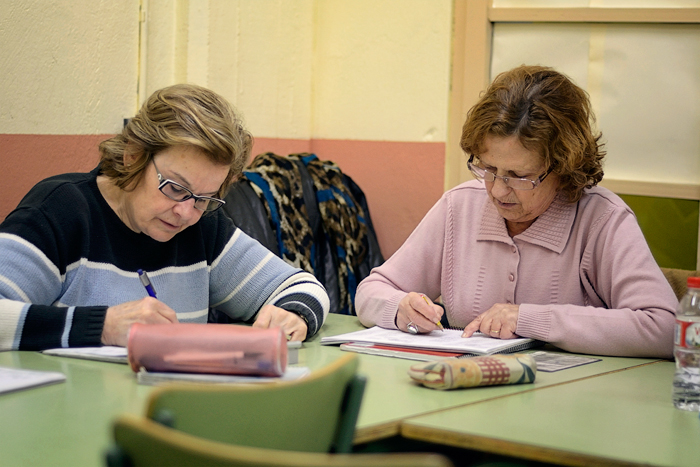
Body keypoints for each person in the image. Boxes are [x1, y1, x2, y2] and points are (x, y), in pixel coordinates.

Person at [355, 65, 677, 358]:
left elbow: (664, 328)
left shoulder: (602, 220)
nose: (497, 190)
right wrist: (400, 308)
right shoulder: (459, 207)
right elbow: (370, 291)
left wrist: (529, 319)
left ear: (563, 167)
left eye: (519, 177)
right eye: (489, 168)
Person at [0, 83, 329, 351]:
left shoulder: (202, 226)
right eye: (174, 188)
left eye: (203, 198)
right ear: (133, 157)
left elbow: (300, 286)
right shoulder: (63, 211)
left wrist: (292, 315)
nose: (186, 212)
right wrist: (102, 327)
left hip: (171, 417)